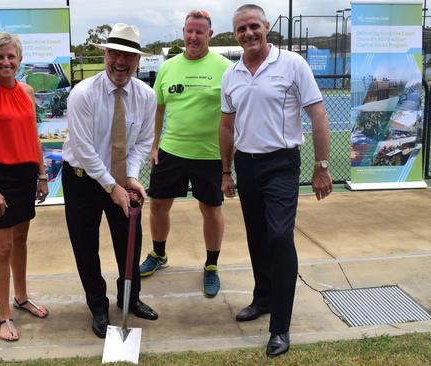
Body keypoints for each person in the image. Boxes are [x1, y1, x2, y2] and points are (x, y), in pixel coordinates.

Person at [219, 4, 333, 357]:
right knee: (258, 236)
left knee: (281, 237)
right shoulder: (232, 74)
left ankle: (280, 327)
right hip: (247, 167)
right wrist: (226, 171)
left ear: (266, 27)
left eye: (254, 26)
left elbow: (317, 113)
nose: (248, 33)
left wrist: (322, 166)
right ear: (234, 34)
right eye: (241, 29)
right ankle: (263, 297)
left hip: (282, 164)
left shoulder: (292, 64)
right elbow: (226, 125)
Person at [61, 23, 158, 339]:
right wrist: (112, 186)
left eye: (128, 56)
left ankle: (130, 299)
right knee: (86, 247)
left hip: (120, 178)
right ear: (105, 54)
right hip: (82, 181)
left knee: (130, 244)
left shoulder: (145, 96)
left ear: (138, 61)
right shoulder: (83, 94)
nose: (121, 61)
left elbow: (143, 141)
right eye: (115, 53)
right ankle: (99, 307)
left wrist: (129, 177)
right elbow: (84, 149)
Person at [140, 9, 233, 299]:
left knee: (211, 210)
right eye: (189, 31)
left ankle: (211, 265)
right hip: (171, 153)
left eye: (200, 32)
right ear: (183, 32)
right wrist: (154, 145)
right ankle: (159, 254)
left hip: (210, 156)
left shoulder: (226, 68)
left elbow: (235, 114)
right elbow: (158, 108)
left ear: (210, 34)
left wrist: (229, 158)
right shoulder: (168, 68)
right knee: (157, 206)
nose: (194, 37)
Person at [0, 31, 49, 342]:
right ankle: (4, 315)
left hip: (26, 174)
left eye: (10, 56)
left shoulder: (27, 91)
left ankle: (22, 296)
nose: (5, 61)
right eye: (0, 56)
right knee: (2, 248)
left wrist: (41, 174)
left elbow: (32, 136)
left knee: (21, 241)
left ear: (19, 59)